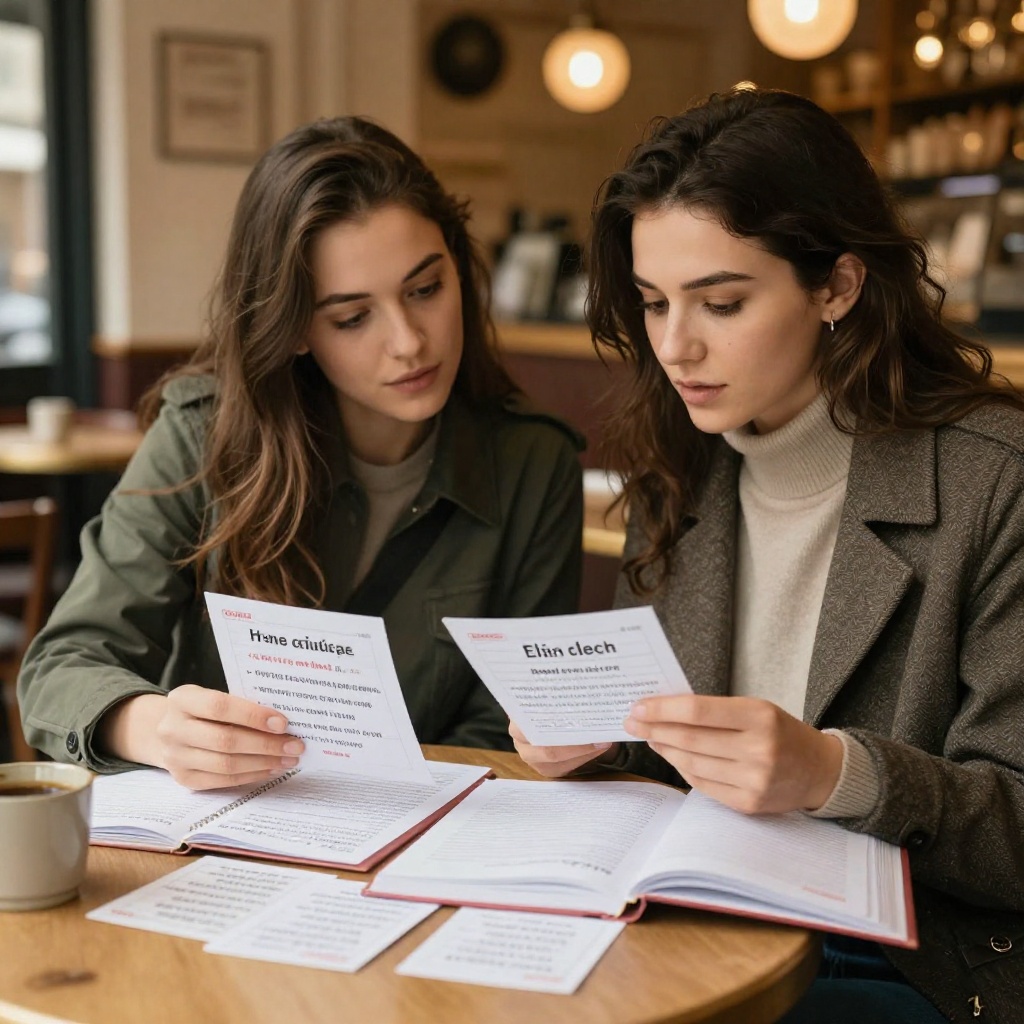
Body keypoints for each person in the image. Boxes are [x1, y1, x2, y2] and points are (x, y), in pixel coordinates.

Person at [512, 89, 1024, 1023]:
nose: (674, 346)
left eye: (722, 302)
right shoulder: (679, 472)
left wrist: (836, 774)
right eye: (655, 302)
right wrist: (592, 742)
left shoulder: (997, 484)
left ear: (838, 285)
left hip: (917, 967)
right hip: (699, 925)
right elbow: (676, 751)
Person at [19, 116, 583, 791]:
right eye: (352, 317)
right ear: (293, 332)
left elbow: (507, 732)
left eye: (426, 289)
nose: (408, 342)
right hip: (216, 838)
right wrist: (154, 727)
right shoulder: (205, 434)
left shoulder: (535, 463)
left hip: (424, 840)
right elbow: (61, 668)